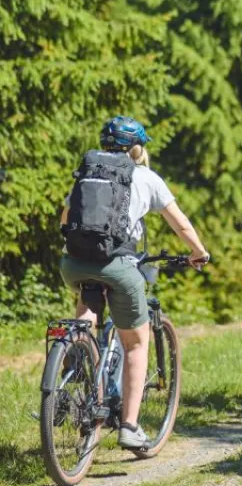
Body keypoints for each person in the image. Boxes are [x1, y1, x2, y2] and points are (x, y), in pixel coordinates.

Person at [60, 116, 209, 451]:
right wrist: (199, 252)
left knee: (87, 309)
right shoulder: (144, 176)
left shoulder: (88, 173)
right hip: (119, 267)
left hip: (73, 264)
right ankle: (129, 425)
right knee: (136, 344)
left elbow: (65, 218)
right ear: (137, 147)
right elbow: (180, 224)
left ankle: (72, 357)